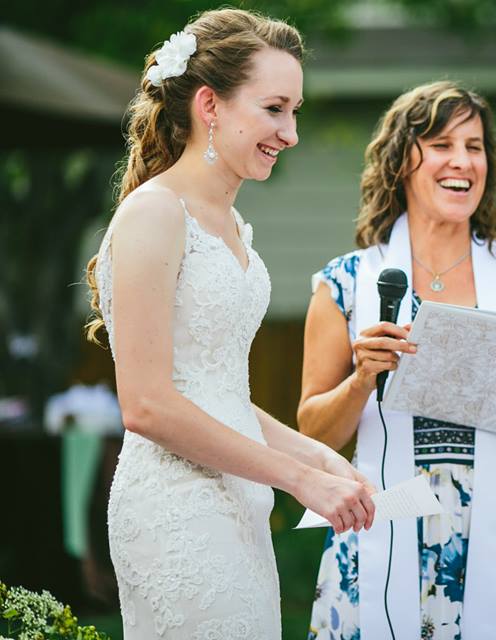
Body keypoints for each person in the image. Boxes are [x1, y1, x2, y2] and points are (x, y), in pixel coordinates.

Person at [83, 9, 376, 639]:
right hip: (174, 511)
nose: (290, 132)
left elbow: (217, 394)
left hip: (239, 505)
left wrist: (319, 457)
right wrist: (298, 480)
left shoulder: (234, 229)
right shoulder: (154, 214)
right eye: (274, 109)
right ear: (210, 105)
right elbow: (148, 406)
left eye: (295, 111)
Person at [299, 81, 496, 640]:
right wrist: (361, 380)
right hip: (383, 523)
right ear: (402, 161)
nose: (463, 161)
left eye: (474, 147)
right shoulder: (345, 284)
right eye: (442, 144)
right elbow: (312, 432)